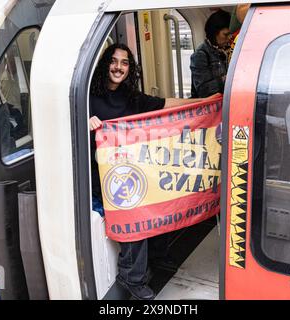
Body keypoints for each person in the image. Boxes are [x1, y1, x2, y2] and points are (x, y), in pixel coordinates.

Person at [89, 43, 218, 300]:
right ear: (106, 64)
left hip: (132, 169)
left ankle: (158, 257)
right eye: (114, 61)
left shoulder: (130, 96)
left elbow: (166, 103)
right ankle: (130, 276)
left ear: (130, 68)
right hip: (103, 177)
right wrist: (85, 120)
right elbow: (64, 118)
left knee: (160, 193)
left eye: (124, 63)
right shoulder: (87, 97)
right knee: (134, 208)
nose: (118, 67)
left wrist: (205, 102)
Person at [190, 9, 231, 98]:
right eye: (225, 35)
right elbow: (204, 90)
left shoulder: (225, 52)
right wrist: (229, 79)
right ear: (214, 33)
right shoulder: (200, 55)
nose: (229, 38)